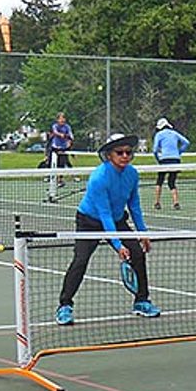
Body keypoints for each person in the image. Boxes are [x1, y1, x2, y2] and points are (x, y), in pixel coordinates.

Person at [54, 133, 160, 325]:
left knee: (137, 254)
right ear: (110, 155)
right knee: (80, 260)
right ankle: (64, 306)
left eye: (128, 152)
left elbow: (134, 206)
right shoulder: (99, 178)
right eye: (120, 152)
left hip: (118, 220)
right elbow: (104, 214)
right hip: (89, 222)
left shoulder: (132, 174)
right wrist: (118, 245)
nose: (125, 156)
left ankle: (142, 301)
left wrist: (142, 233)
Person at [151, 117, 190, 210]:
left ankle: (157, 202)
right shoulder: (175, 133)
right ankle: (176, 202)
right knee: (172, 182)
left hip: (164, 160)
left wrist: (158, 159)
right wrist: (178, 152)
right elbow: (186, 143)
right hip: (175, 160)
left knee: (159, 181)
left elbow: (155, 150)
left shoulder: (159, 134)